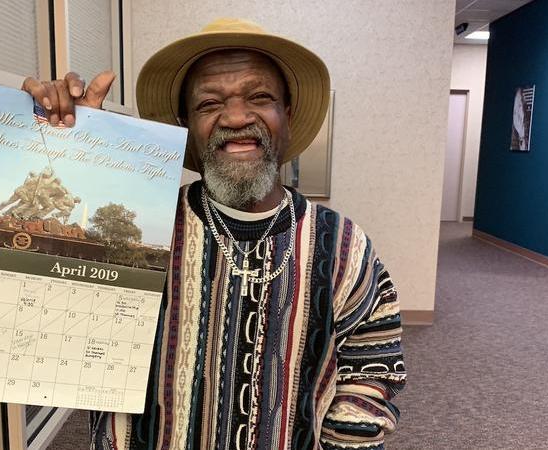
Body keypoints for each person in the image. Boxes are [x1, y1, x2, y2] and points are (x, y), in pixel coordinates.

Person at [23, 18, 406, 450]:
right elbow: (47, 334)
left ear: (288, 116)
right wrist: (64, 153)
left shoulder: (342, 246)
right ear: (187, 123)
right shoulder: (135, 228)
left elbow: (373, 367)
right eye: (209, 103)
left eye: (260, 97)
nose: (237, 117)